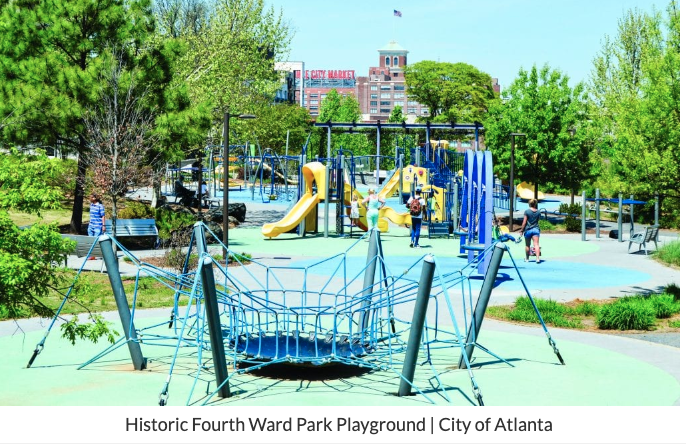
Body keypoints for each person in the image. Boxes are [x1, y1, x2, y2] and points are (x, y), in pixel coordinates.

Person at [520, 198, 542, 263]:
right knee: (536, 244)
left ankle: (527, 258)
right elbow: (537, 220)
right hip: (536, 229)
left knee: (527, 245)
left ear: (529, 204)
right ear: (535, 204)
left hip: (528, 230)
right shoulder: (538, 212)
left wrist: (521, 230)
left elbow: (524, 222)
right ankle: (537, 258)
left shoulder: (527, 212)